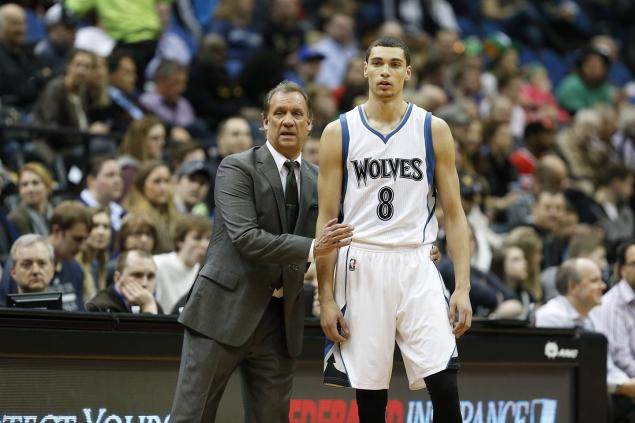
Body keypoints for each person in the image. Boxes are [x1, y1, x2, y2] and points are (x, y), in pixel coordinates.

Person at [169, 81, 353, 422]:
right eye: (279, 113)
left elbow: (343, 238)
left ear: (310, 123)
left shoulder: (321, 179)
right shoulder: (236, 168)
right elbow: (246, 238)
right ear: (264, 123)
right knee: (191, 417)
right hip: (223, 312)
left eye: (297, 114)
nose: (288, 121)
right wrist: (314, 247)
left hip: (280, 321)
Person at [315, 37, 471, 422]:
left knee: (445, 383)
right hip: (360, 263)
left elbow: (454, 214)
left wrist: (463, 287)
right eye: (379, 63)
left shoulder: (433, 129)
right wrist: (327, 296)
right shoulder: (340, 131)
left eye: (395, 64)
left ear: (408, 72)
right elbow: (326, 221)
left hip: (417, 262)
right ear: (365, 69)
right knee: (371, 400)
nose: (386, 71)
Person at [536, 258, 635, 422]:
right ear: (573, 287)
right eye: (595, 281)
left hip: (603, 392)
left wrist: (628, 383)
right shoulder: (551, 317)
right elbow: (564, 376)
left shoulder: (593, 315)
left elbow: (607, 367)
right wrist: (622, 387)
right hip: (567, 399)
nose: (603, 286)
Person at [86, 249, 160, 314]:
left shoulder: (151, 303)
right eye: (137, 275)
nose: (145, 283)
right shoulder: (99, 308)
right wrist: (148, 308)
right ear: (117, 278)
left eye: (150, 276)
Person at [5, 234, 55, 304]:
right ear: (13, 272)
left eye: (42, 263)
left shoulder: (66, 315)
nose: (35, 271)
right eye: (26, 264)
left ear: (52, 270)